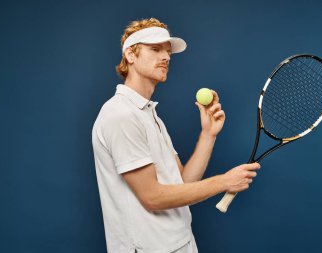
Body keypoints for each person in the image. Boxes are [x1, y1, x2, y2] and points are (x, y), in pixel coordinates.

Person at [91, 18, 260, 253]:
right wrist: (224, 181)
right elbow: (152, 197)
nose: (166, 57)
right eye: (155, 49)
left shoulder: (149, 115)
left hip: (180, 243)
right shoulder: (120, 115)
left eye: (168, 52)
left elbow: (182, 183)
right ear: (131, 54)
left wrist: (208, 134)